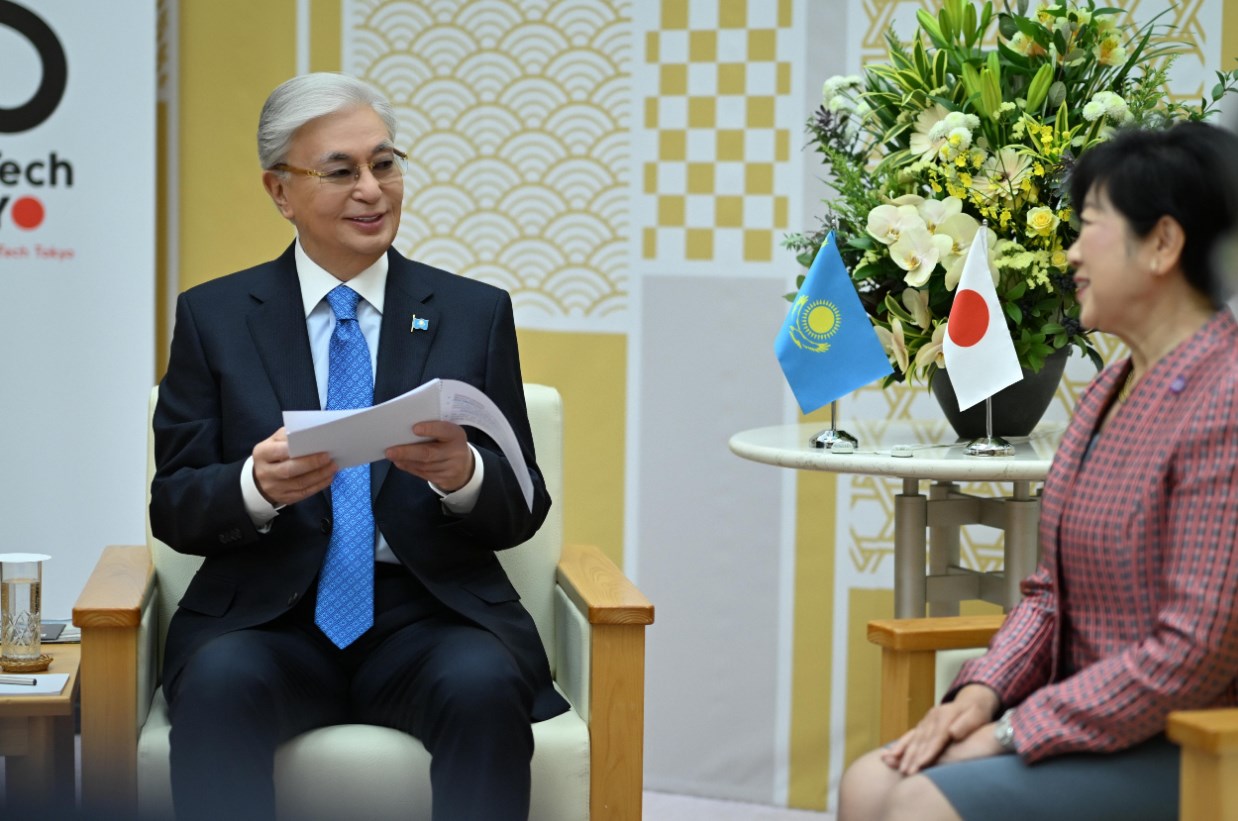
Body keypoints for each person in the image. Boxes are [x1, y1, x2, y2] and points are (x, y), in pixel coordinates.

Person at [149, 72, 566, 821]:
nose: (372, 190)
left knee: (483, 684)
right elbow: (174, 505)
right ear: (280, 191)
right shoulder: (215, 317)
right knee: (219, 685)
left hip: (428, 615)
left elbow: (523, 504)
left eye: (385, 163)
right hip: (270, 618)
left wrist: (465, 475)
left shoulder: (472, 313)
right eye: (340, 171)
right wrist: (255, 487)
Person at [838, 120, 1238, 821]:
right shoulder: (1111, 387)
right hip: (1080, 721)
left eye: (1090, 226)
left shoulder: (1226, 398)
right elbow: (1051, 594)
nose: (1072, 252)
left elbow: (1194, 651)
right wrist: (980, 695)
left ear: (1163, 244)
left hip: (1192, 743)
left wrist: (1013, 731)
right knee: (868, 783)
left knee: (920, 804)